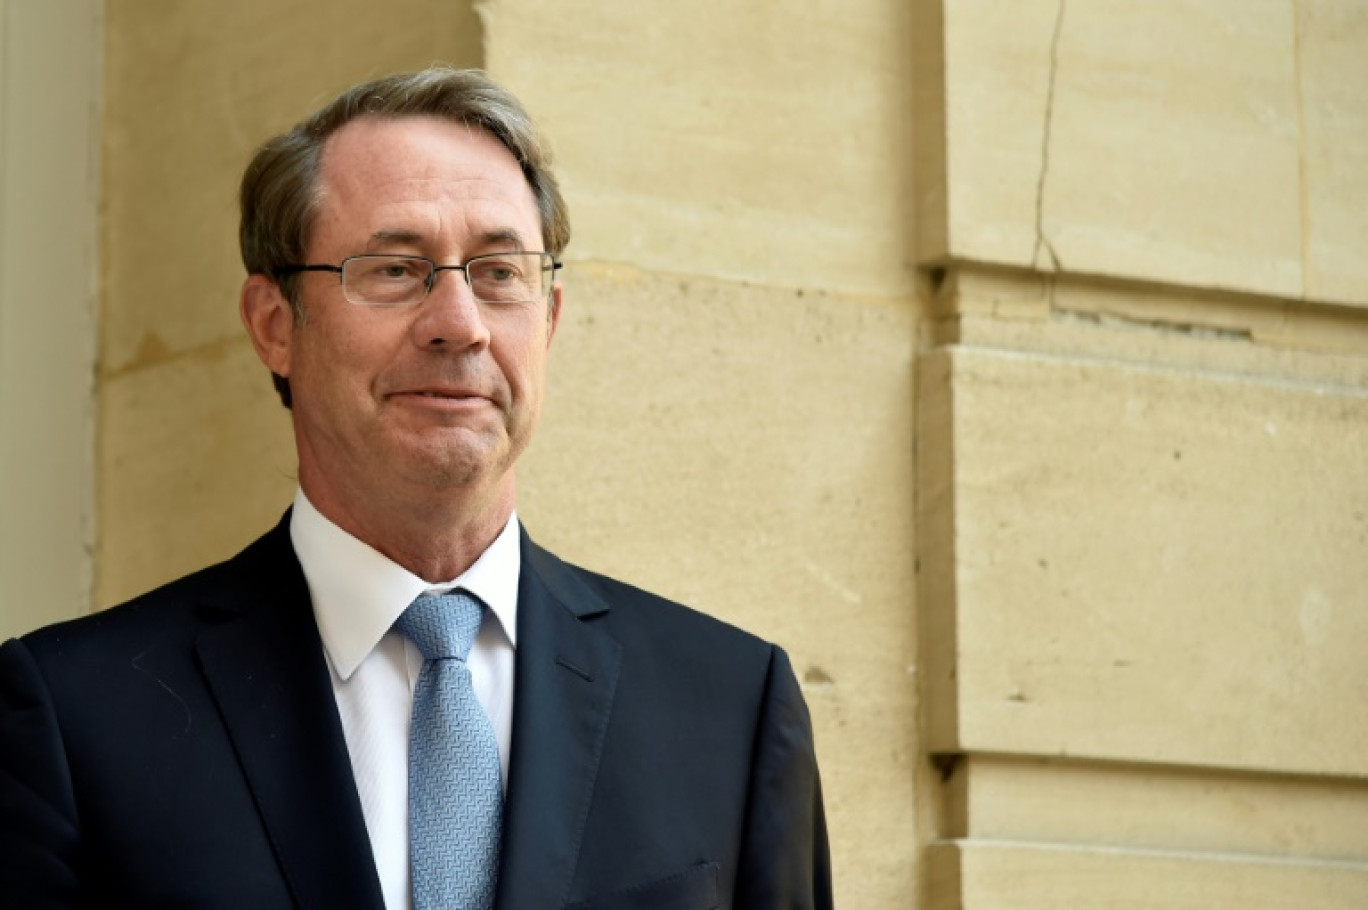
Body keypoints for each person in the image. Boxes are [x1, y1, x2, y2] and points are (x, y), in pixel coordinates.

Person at [0, 68, 831, 909]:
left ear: (548, 318)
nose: (460, 323)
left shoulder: (730, 706)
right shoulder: (76, 719)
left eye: (500, 271)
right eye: (395, 269)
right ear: (275, 324)